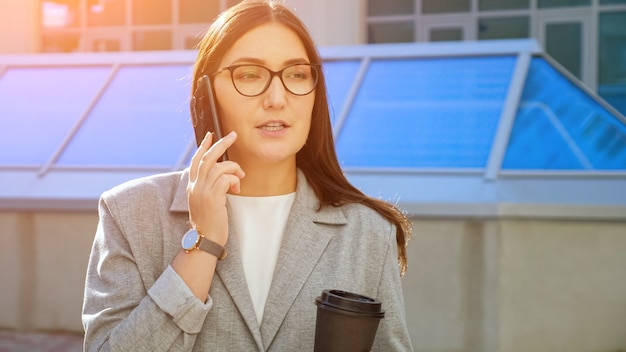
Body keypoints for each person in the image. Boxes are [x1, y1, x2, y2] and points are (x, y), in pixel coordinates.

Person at [82, 0, 413, 351]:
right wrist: (202, 244)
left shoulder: (369, 233)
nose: (276, 98)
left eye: (296, 74)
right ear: (207, 95)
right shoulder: (130, 214)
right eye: (249, 75)